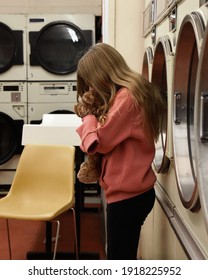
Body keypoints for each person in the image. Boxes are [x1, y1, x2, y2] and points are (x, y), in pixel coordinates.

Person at [75, 43, 166, 260]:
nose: (90, 90)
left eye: (91, 83)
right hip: (136, 192)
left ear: (101, 74)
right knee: (123, 255)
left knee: (119, 259)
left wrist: (88, 117)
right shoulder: (132, 92)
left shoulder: (126, 98)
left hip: (128, 197)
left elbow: (100, 142)